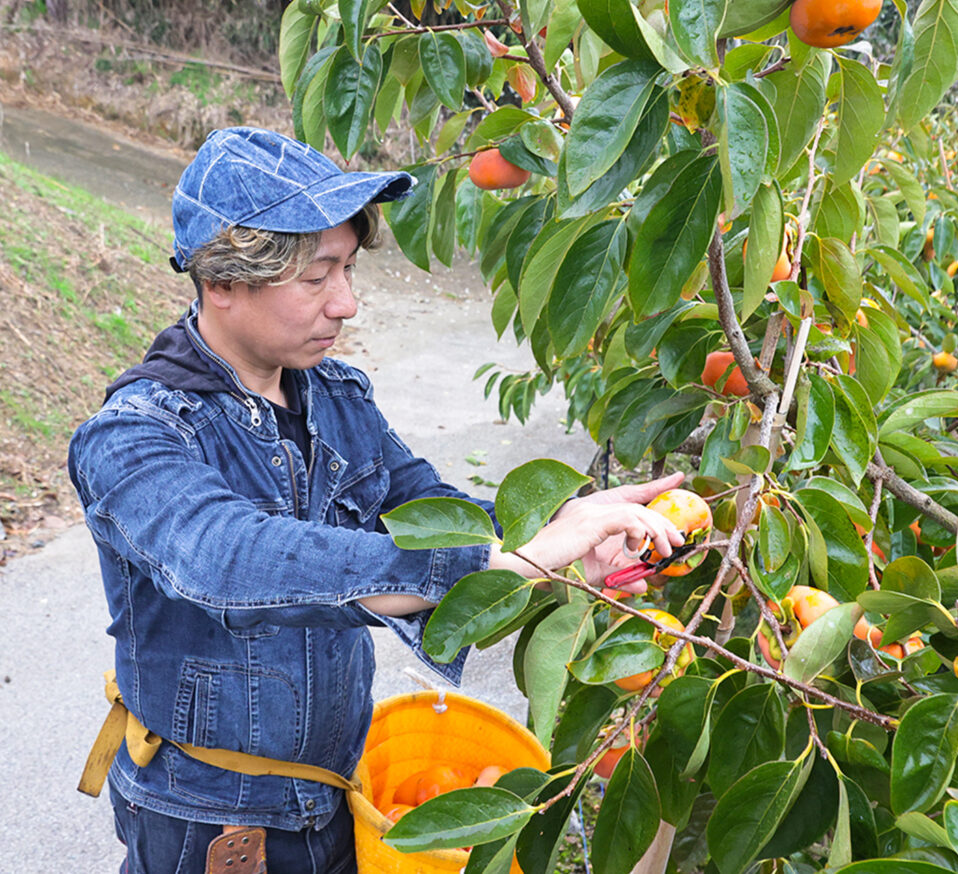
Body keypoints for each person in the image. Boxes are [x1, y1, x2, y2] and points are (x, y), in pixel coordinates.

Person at [68, 126, 686, 874]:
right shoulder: (133, 436)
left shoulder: (334, 398)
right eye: (317, 277)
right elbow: (230, 558)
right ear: (223, 281)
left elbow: (427, 510)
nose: (347, 304)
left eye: (349, 269)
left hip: (334, 796)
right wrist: (499, 560)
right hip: (210, 823)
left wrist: (564, 539)